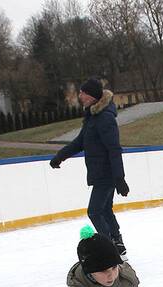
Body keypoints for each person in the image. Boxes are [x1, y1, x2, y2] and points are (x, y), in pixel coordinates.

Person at [50, 78, 130, 258]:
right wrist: (60, 156)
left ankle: (110, 248)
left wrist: (119, 178)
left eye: (82, 92)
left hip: (106, 174)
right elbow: (80, 142)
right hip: (100, 173)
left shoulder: (105, 118)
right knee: (105, 210)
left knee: (94, 211)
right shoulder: (92, 117)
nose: (79, 95)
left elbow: (114, 149)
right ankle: (118, 245)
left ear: (92, 96)